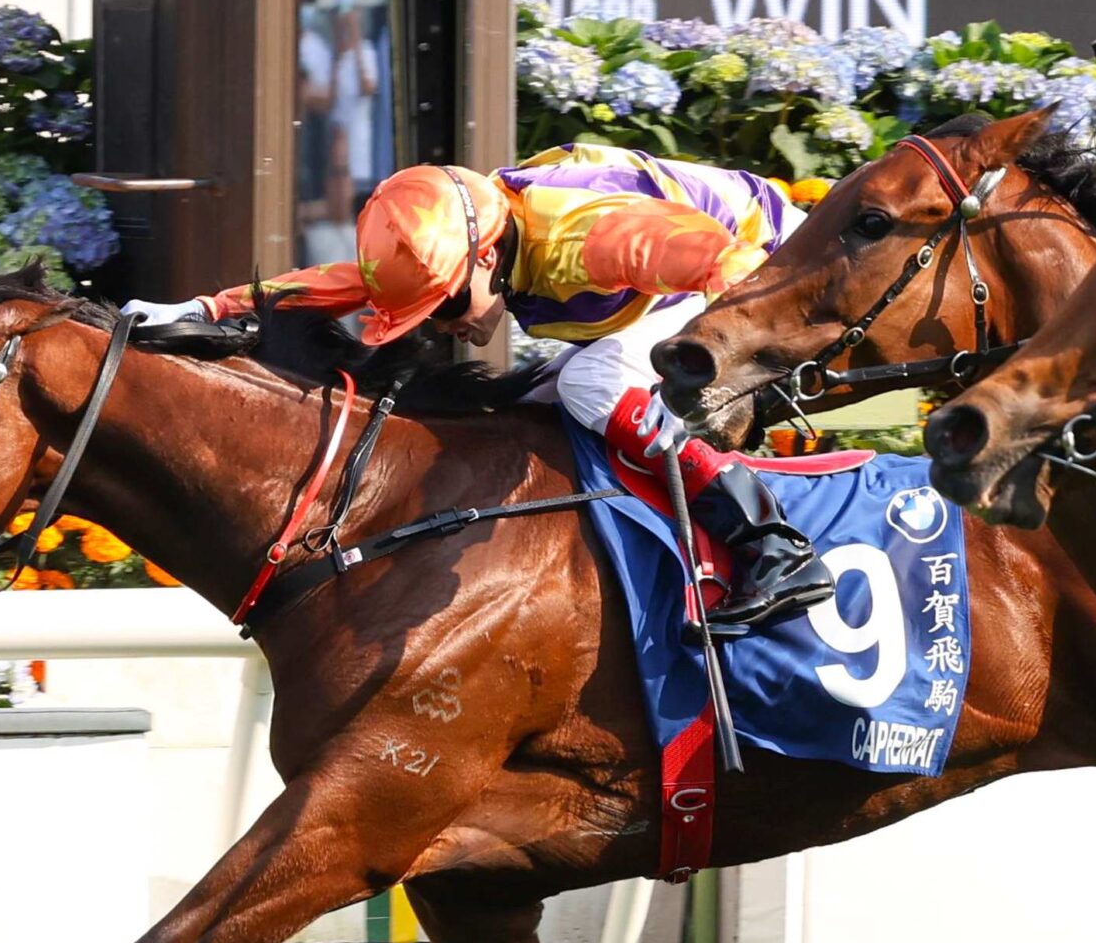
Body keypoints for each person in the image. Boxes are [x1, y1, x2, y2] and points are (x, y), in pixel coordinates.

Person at [121, 147, 834, 629]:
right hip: (686, 282)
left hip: (770, 264)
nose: (448, 326)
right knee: (528, 411)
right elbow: (331, 285)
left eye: (448, 304)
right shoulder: (472, 228)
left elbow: (734, 265)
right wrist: (204, 311)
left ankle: (773, 544)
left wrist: (724, 369)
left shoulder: (591, 238)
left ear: (486, 255)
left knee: (589, 381)